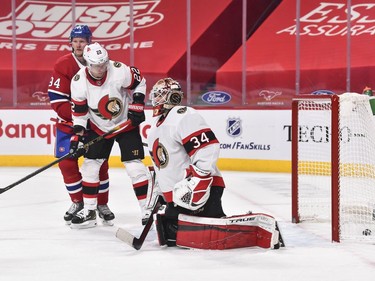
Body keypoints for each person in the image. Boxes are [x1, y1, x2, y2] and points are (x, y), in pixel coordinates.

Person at [146, 78, 283, 249]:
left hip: (199, 191)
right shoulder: (155, 129)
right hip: (176, 197)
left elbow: (207, 147)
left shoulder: (182, 115)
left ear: (171, 97)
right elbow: (162, 166)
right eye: (155, 95)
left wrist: (199, 183)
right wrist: (161, 196)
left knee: (212, 234)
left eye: (160, 95)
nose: (155, 99)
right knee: (174, 237)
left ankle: (257, 231)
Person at [69, 42, 150, 229]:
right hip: (98, 127)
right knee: (90, 166)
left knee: (134, 167)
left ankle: (147, 210)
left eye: (104, 63)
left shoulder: (119, 69)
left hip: (125, 124)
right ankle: (89, 211)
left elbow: (140, 82)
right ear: (87, 64)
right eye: (97, 65)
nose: (101, 68)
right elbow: (80, 114)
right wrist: (78, 138)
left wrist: (137, 103)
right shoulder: (78, 82)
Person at [47, 25, 115, 225]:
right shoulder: (64, 64)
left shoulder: (102, 61)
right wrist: (82, 117)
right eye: (75, 41)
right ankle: (78, 202)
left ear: (89, 42)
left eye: (82, 41)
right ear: (70, 42)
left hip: (97, 125)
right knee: (66, 163)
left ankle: (101, 204)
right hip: (70, 124)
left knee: (99, 164)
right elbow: (58, 101)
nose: (78, 44)